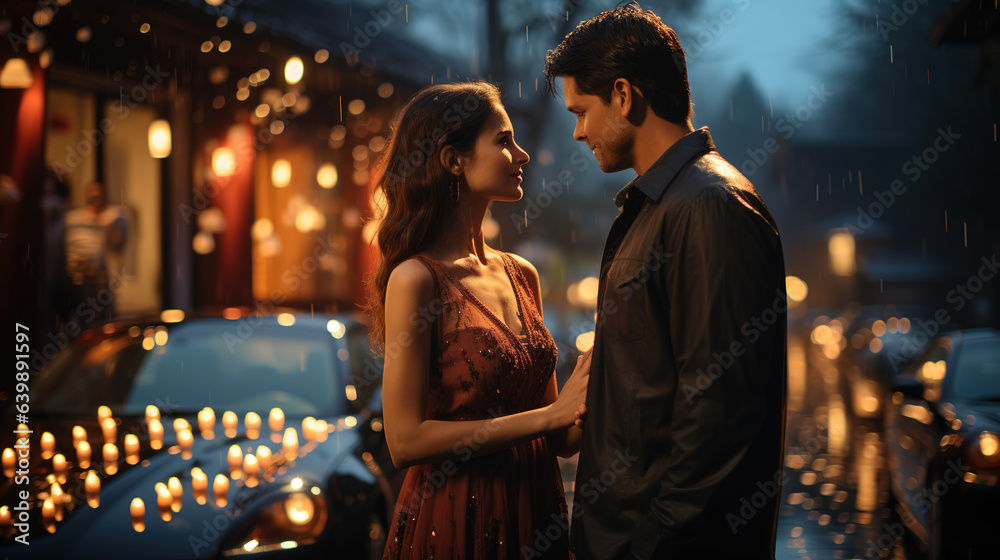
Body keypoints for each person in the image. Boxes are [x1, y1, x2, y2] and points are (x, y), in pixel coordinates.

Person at [544, 6, 787, 560]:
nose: (578, 132)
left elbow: (718, 417)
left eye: (582, 111)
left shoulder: (709, 206)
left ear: (624, 96)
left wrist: (652, 546)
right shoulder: (661, 205)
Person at [366, 81, 591, 559]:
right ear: (453, 159)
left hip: (535, 511)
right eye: (504, 140)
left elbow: (560, 440)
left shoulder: (522, 275)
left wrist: (605, 372)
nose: (523, 154)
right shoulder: (417, 280)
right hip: (456, 518)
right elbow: (404, 441)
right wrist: (549, 415)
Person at [64, 180, 129, 328]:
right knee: (78, 321)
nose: (96, 199)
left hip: (99, 280)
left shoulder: (109, 219)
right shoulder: (74, 219)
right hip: (76, 279)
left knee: (101, 321)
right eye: (93, 195)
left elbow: (122, 224)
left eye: (99, 196)